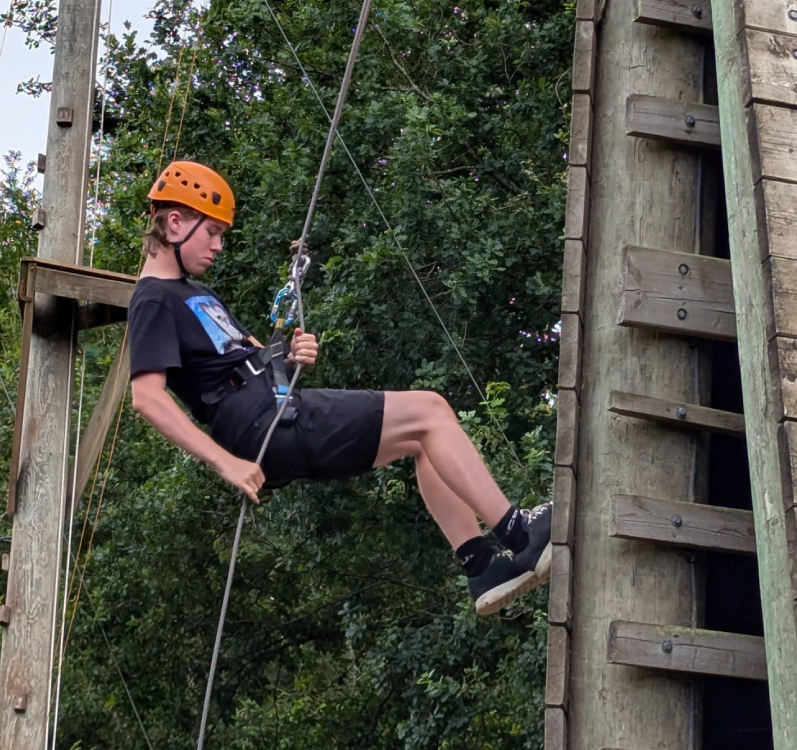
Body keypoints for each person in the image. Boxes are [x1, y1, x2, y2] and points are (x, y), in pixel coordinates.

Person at [128, 160, 552, 615]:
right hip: (260, 426)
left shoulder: (197, 294)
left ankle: (482, 566)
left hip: (271, 411)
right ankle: (518, 533)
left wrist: (290, 357)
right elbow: (147, 398)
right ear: (175, 222)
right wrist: (225, 462)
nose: (218, 245)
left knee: (425, 439)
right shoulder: (153, 298)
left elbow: (247, 360)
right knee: (430, 411)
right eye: (211, 231)